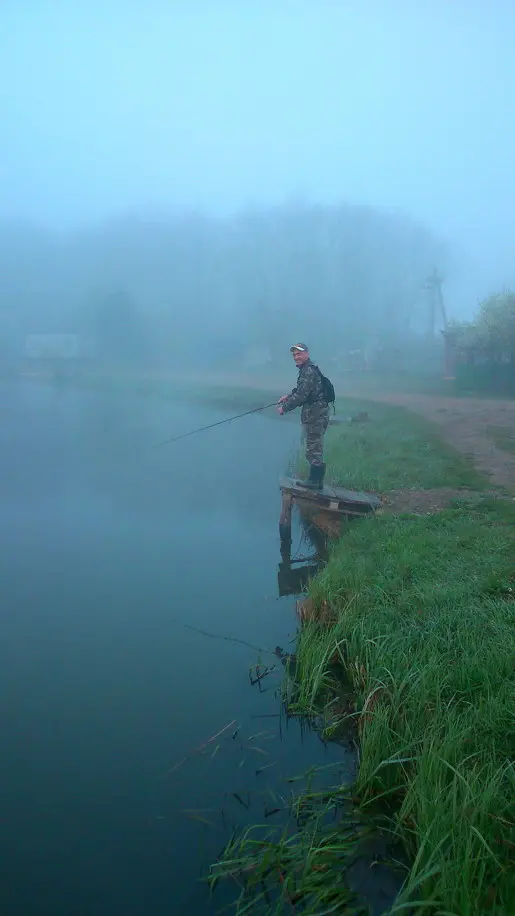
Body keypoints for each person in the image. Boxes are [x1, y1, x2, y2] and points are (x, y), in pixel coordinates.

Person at [277, 342, 329, 490]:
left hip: (316, 415)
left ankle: (314, 482)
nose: (296, 357)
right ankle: (316, 481)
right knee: (314, 446)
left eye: (299, 353)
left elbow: (301, 396)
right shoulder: (307, 369)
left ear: (306, 353)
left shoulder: (308, 371)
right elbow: (303, 391)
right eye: (294, 354)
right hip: (315, 413)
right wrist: (288, 396)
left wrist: (284, 408)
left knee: (313, 447)